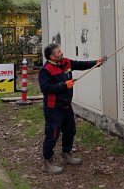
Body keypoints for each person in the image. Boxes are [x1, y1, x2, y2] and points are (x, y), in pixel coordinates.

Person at [38, 42, 105, 174]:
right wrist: (64, 85)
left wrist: (96, 62)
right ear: (52, 56)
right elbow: (45, 88)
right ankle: (47, 161)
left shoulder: (66, 62)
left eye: (60, 50)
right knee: (52, 134)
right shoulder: (46, 70)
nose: (61, 53)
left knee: (70, 130)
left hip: (66, 106)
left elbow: (80, 64)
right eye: (58, 52)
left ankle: (66, 154)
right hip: (53, 108)